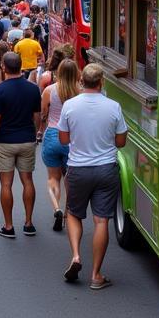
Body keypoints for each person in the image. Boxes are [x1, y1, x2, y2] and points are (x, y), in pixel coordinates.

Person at [58, 63, 127, 289]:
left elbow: (64, 140)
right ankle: (96, 275)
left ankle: (76, 256)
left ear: (81, 81)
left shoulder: (69, 106)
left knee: (73, 214)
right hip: (106, 169)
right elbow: (121, 142)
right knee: (101, 220)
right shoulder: (114, 107)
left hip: (78, 169)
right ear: (101, 82)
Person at [0, 52, 42, 238]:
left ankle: (8, 226)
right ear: (21, 66)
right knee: (28, 181)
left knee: (6, 184)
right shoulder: (33, 89)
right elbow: (37, 117)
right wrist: (33, 133)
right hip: (26, 140)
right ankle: (29, 223)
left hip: (5, 142)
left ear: (4, 67)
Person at [40, 59, 79, 232]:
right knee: (69, 179)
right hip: (72, 138)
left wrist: (40, 130)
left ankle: (56, 208)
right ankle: (68, 214)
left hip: (52, 135)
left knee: (53, 178)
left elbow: (43, 114)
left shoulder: (49, 90)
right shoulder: (80, 92)